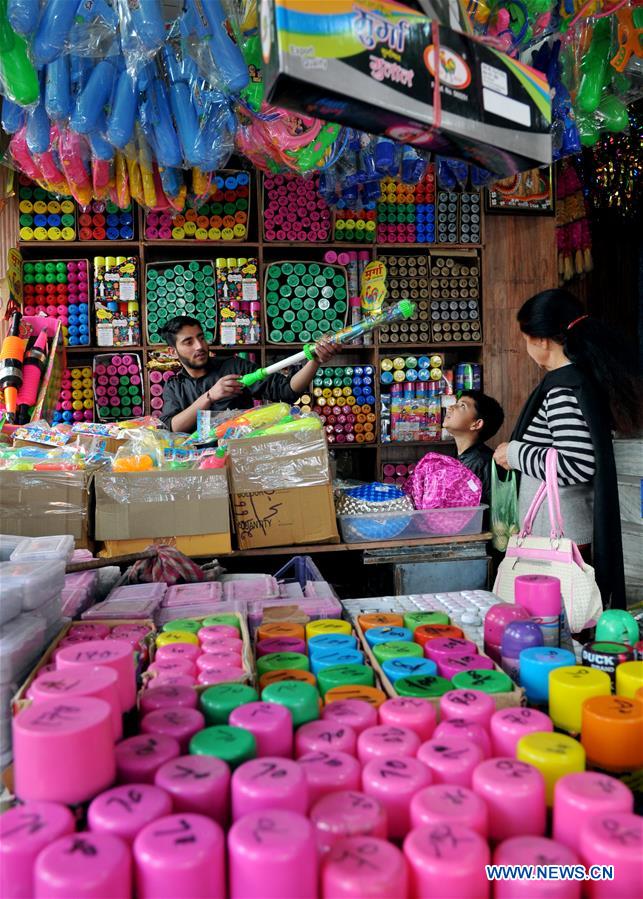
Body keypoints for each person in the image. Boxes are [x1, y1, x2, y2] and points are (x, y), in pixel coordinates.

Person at [493, 289, 642, 611]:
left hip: (562, 536)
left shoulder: (562, 389)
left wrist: (514, 454)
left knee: (559, 621)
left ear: (541, 340)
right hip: (566, 531)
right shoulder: (580, 379)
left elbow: (577, 463)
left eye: (525, 338)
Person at [159, 315, 339, 432]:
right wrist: (210, 396)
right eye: (188, 342)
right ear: (173, 352)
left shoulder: (234, 367)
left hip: (240, 458)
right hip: (197, 465)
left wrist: (315, 361)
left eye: (201, 338)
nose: (199, 346)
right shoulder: (174, 386)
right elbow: (172, 427)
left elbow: (287, 390)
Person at [443, 390, 505, 504]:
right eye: (456, 403)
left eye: (462, 406)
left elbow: (491, 510)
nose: (450, 407)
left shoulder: (484, 463)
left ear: (476, 424)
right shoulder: (459, 457)